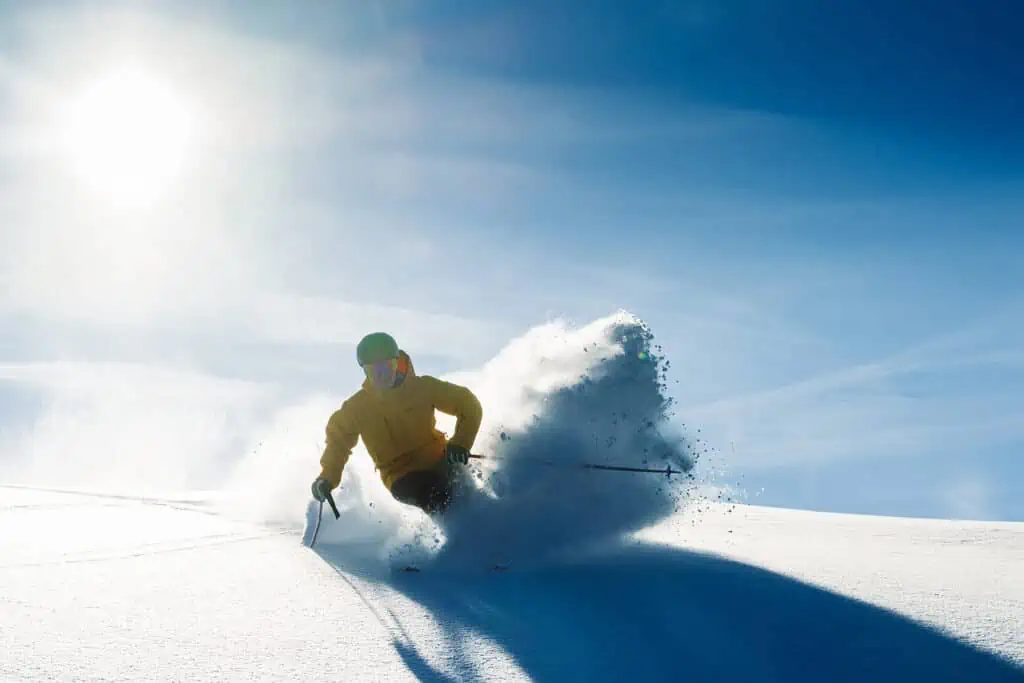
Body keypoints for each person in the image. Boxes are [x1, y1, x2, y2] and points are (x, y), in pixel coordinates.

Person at [311, 332, 483, 516]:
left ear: (397, 362)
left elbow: (468, 403)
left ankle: (491, 521)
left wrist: (460, 443)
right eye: (373, 370)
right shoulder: (357, 408)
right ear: (365, 372)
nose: (381, 375)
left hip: (440, 459)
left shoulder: (422, 387)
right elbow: (338, 442)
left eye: (387, 366)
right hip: (400, 476)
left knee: (465, 491)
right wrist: (327, 478)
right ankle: (463, 537)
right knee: (435, 494)